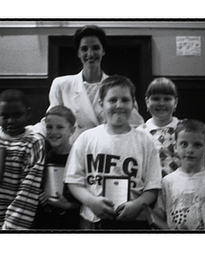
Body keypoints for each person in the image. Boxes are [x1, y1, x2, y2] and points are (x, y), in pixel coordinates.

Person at [65, 75, 162, 230]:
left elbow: (153, 187)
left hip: (134, 220)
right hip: (92, 219)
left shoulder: (146, 141)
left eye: (125, 100)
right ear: (101, 104)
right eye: (112, 100)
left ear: (133, 104)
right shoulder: (86, 138)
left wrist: (137, 205)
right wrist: (91, 202)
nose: (119, 105)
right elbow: (73, 181)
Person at [35, 25, 144, 144]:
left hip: (106, 152)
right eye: (84, 49)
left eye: (96, 48)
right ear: (78, 53)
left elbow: (135, 124)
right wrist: (30, 133)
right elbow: (50, 121)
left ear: (103, 51)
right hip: (74, 151)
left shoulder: (117, 86)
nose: (90, 54)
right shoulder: (62, 85)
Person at [0, 89, 45, 230]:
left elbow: (28, 191)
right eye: (4, 115)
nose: (11, 121)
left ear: (28, 113)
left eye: (17, 115)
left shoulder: (33, 143)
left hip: (9, 221)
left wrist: (12, 228)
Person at [34, 106, 81, 230]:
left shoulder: (79, 157)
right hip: (43, 223)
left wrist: (68, 205)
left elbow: (87, 198)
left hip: (70, 224)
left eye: (60, 127)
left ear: (72, 130)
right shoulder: (41, 156)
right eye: (49, 127)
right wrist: (38, 196)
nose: (53, 132)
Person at [137, 77, 181, 177]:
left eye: (167, 99)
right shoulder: (140, 132)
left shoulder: (183, 129)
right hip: (150, 186)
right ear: (147, 102)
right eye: (156, 99)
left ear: (175, 102)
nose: (161, 103)